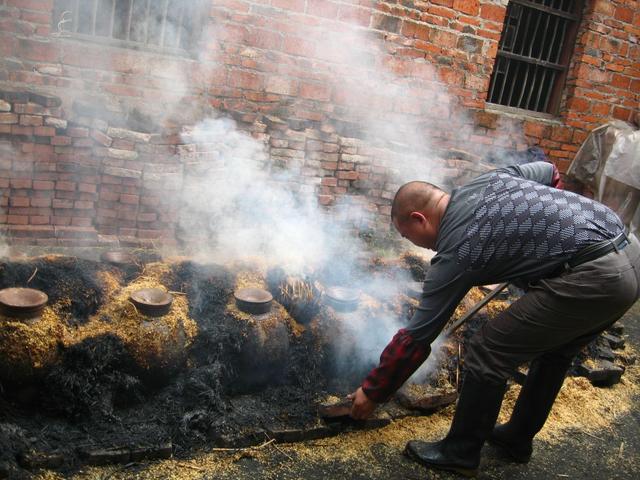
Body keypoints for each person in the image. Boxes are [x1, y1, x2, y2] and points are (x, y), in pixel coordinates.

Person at [348, 161, 640, 477]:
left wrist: (373, 392)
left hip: (595, 276)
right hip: (630, 256)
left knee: (487, 349)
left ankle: (459, 453)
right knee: (556, 351)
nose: (414, 245)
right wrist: (542, 233)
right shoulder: (492, 178)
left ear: (419, 219)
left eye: (408, 236)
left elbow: (417, 336)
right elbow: (549, 171)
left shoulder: (456, 251)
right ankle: (516, 440)